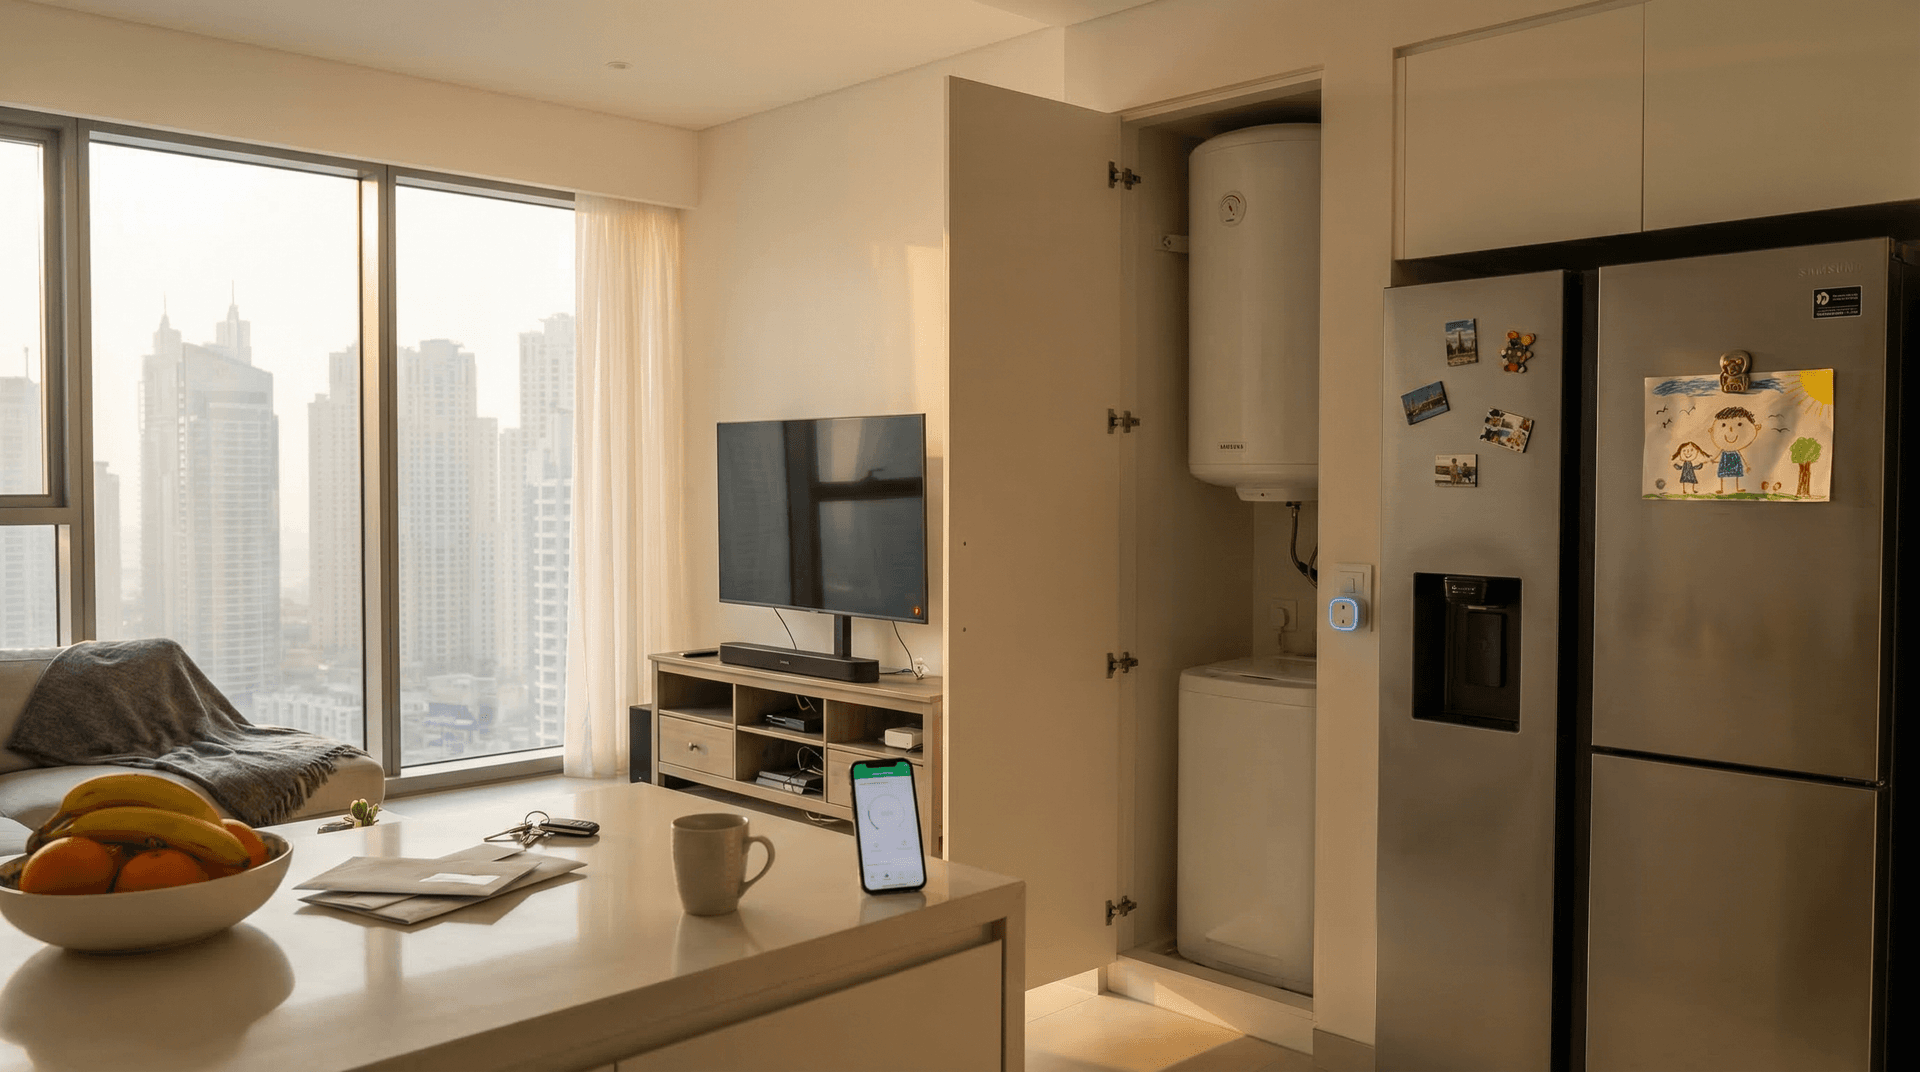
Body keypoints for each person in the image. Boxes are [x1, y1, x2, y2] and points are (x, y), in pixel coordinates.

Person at [1709, 406, 1761, 494]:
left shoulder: (1736, 451)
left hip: (1734, 458)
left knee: (1736, 474)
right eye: (1723, 425)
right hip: (1725, 458)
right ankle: (1722, 489)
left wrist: (1747, 466)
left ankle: (1737, 489)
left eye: (1739, 425)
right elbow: (1719, 454)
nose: (1731, 429)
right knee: (1723, 474)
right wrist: (1714, 460)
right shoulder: (1724, 450)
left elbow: (1742, 457)